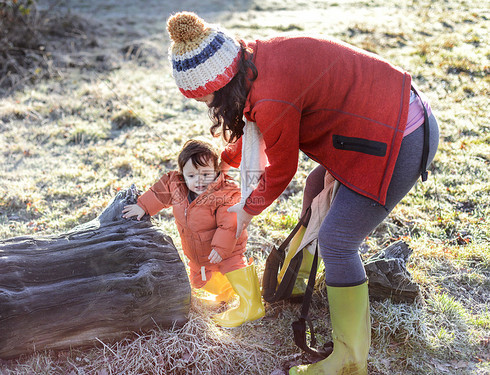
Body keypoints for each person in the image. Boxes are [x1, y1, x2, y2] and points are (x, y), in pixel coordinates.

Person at [166, 11, 439, 375]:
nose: (207, 106)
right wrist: (222, 165)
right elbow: (258, 128)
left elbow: (281, 168)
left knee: (339, 241)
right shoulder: (250, 61)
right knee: (316, 189)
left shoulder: (271, 96)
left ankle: (349, 360)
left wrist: (244, 212)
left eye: (204, 98)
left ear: (220, 83)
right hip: (383, 120)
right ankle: (296, 283)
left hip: (397, 138)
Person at [122, 139, 265, 327]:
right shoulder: (177, 185)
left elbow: (230, 223)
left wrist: (222, 247)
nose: (198, 181)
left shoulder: (226, 193)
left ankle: (251, 305)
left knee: (232, 265)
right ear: (183, 175)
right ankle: (226, 293)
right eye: (191, 175)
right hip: (198, 253)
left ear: (216, 171)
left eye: (206, 174)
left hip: (226, 248)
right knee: (200, 281)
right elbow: (160, 192)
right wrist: (143, 205)